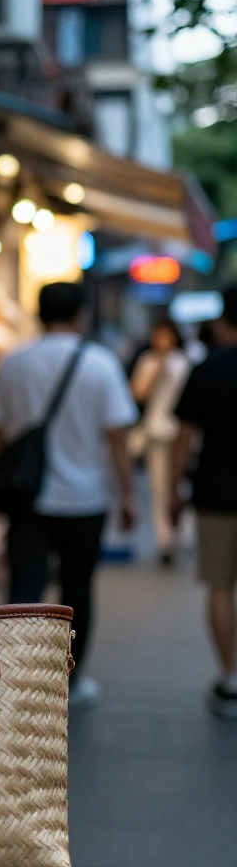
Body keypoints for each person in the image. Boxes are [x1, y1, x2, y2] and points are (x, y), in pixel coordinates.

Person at [0, 282, 136, 711]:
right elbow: (118, 437)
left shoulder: (15, 362)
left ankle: (24, 677)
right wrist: (128, 494)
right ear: (83, 314)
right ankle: (71, 678)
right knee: (77, 589)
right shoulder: (101, 364)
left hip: (28, 497)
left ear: (38, 313)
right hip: (86, 499)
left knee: (26, 588)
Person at [170, 292, 237, 717]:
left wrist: (173, 489)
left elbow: (184, 436)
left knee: (219, 586)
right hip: (216, 492)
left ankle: (229, 678)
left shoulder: (208, 368)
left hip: (216, 492)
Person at [130, 319, 191, 566]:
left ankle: (179, 532)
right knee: (159, 487)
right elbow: (138, 395)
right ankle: (165, 539)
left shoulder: (184, 362)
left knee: (180, 484)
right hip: (156, 432)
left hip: (180, 433)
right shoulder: (148, 362)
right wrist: (157, 372)